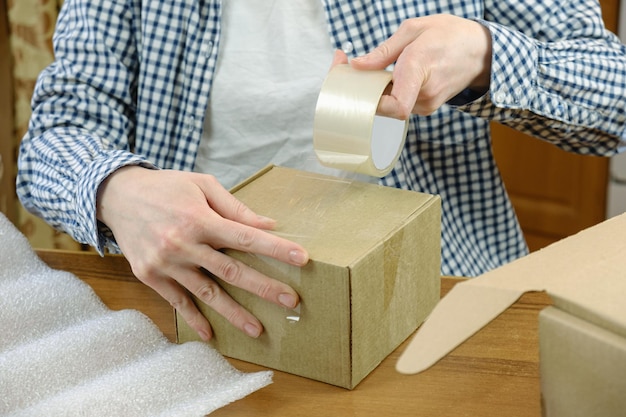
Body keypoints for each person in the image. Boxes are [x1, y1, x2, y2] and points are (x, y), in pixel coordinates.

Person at [17, 1, 626, 341]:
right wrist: (112, 186)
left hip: (436, 300)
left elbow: (615, 102)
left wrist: (491, 55)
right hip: (208, 310)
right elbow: (54, 138)